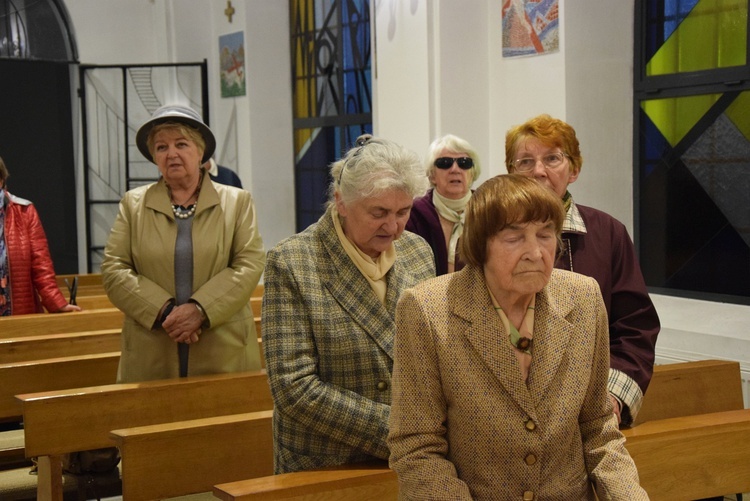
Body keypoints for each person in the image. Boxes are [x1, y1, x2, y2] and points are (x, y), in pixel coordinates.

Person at [388, 174, 648, 500]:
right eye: (514, 238)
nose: (535, 252)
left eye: (545, 235)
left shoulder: (583, 298)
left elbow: (599, 430)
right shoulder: (428, 309)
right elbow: (417, 448)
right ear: (480, 245)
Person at [262, 134, 436, 474]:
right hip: (328, 462)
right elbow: (294, 388)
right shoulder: (293, 261)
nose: (393, 226)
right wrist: (402, 429)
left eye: (403, 211)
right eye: (379, 212)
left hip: (412, 458)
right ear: (341, 202)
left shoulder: (417, 252)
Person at [506, 114, 660, 427]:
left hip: (590, 410)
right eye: (525, 161)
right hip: (505, 409)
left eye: (552, 158)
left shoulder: (608, 233)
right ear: (511, 172)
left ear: (574, 169)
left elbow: (634, 329)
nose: (538, 171)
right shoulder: (483, 236)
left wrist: (611, 398)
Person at [101, 104, 265, 383]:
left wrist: (199, 310)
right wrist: (165, 312)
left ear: (200, 152)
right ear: (154, 156)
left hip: (222, 347)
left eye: (181, 144)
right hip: (153, 344)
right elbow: (114, 269)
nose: (172, 154)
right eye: (162, 147)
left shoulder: (237, 202)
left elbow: (249, 263)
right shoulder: (133, 204)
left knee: (220, 424)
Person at [0, 155, 81, 315]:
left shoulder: (24, 211)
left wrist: (56, 303)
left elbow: (41, 264)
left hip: (17, 314)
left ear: (1, 179)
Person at [406, 134, 481, 275]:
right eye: (445, 163)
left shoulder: (487, 208)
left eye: (464, 163)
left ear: (473, 172)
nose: (455, 169)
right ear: (432, 175)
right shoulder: (413, 213)